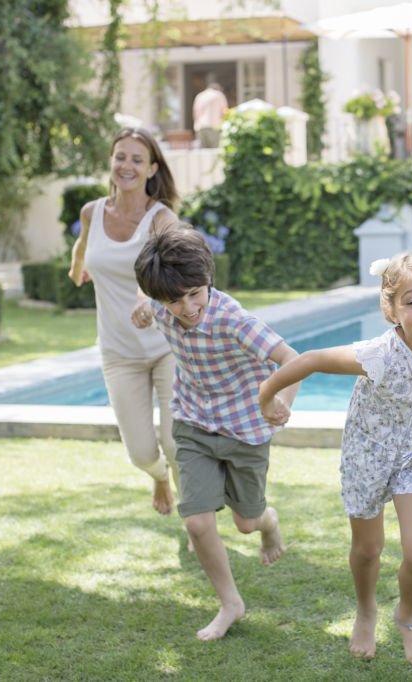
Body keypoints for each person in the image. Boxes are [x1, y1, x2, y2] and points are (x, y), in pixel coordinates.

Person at [258, 252, 412, 672]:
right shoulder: (378, 354)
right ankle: (366, 611)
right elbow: (311, 360)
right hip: (368, 455)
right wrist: (268, 396)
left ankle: (407, 618)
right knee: (368, 549)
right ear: (391, 310)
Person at [133, 227, 300, 641]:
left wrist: (284, 402)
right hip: (193, 422)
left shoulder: (233, 320)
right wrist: (142, 308)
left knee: (246, 523)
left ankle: (268, 521)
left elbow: (293, 358)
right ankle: (231, 603)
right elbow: (145, 301)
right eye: (175, 300)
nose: (188, 307)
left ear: (207, 280)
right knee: (197, 523)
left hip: (246, 428)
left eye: (195, 293)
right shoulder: (160, 307)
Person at [68, 127, 183, 517]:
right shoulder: (92, 212)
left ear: (152, 168)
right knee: (140, 452)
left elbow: (172, 270)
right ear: (111, 162)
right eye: (121, 157)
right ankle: (159, 477)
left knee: (176, 441)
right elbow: (84, 244)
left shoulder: (161, 217)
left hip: (167, 348)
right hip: (119, 353)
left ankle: (196, 519)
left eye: (137, 159)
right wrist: (77, 267)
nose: (127, 165)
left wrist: (146, 297)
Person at [192, 81, 228, 148]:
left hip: (201, 126)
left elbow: (195, 113)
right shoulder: (219, 95)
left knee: (203, 152)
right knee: (216, 150)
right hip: (214, 125)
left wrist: (196, 125)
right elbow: (224, 111)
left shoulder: (200, 96)